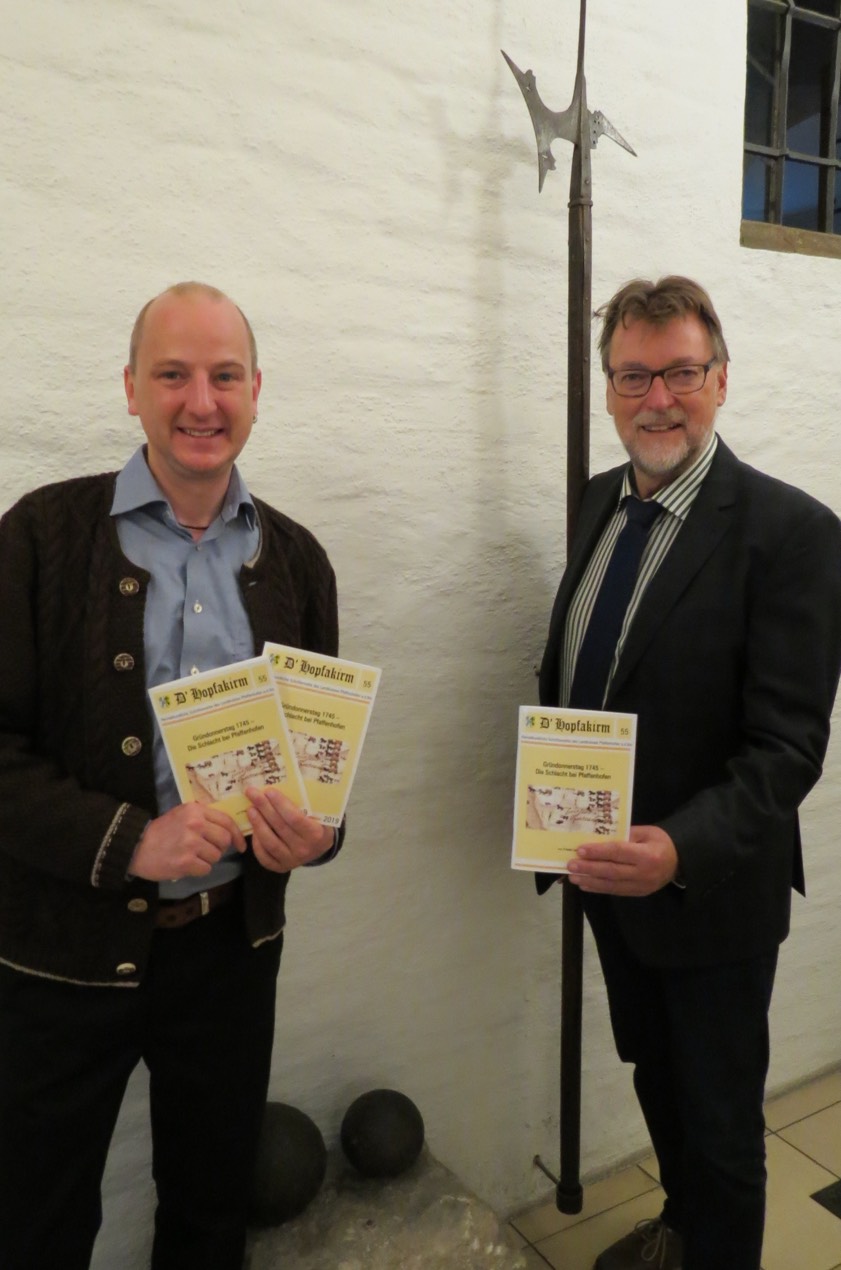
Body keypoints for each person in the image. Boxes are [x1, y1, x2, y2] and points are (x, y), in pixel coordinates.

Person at [0, 281, 341, 1270]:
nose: (201, 401)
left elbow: (321, 762)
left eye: (224, 376)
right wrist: (129, 843)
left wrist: (317, 835)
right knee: (34, 1221)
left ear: (256, 390)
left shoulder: (298, 561)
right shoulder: (39, 537)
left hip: (229, 952)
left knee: (209, 1212)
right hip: (60, 954)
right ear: (131, 388)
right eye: (173, 375)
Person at [537, 276, 841, 1270]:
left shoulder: (791, 532)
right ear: (608, 386)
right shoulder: (597, 499)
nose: (656, 398)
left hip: (709, 893)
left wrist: (676, 848)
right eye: (633, 375)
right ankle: (682, 1233)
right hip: (606, 878)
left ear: (720, 378)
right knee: (657, 1081)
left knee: (720, 1128)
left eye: (679, 372)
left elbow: (786, 747)